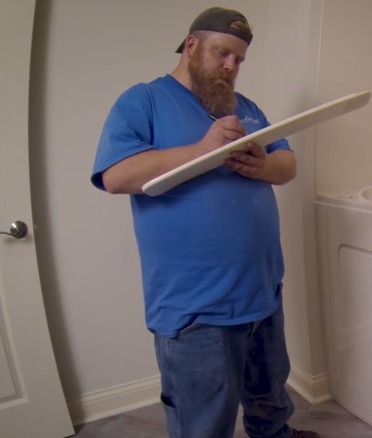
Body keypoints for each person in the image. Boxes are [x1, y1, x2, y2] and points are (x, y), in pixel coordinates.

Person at [91, 7, 319, 438]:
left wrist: (261, 166)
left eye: (239, 59)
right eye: (222, 53)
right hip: (196, 306)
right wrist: (203, 149)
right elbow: (116, 176)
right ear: (192, 45)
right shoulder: (144, 100)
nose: (231, 66)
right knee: (204, 420)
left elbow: (286, 164)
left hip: (262, 289)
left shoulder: (247, 108)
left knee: (269, 397)